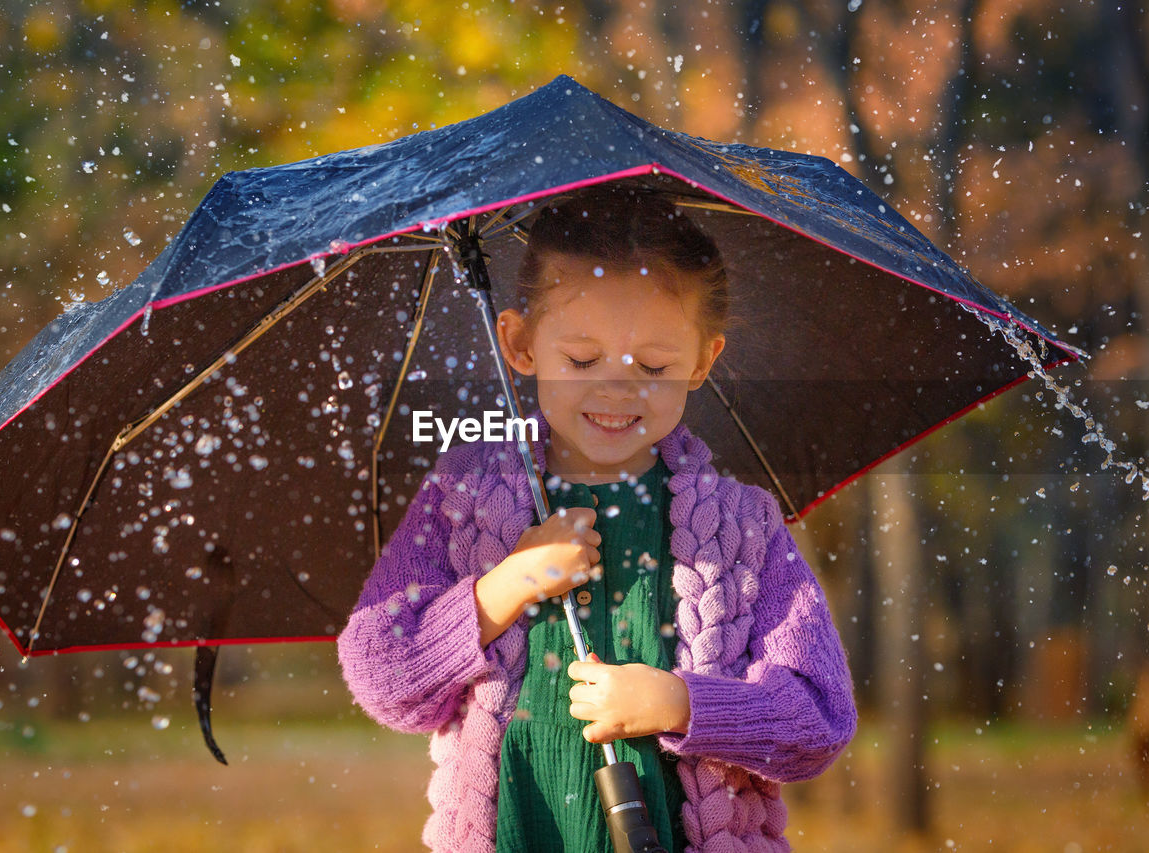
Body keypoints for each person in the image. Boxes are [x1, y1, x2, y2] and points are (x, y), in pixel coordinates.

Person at [337, 184, 857, 852]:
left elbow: (817, 717)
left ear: (702, 360)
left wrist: (681, 703)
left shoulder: (741, 528)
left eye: (655, 364)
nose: (617, 385)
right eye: (582, 359)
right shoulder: (465, 494)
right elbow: (382, 672)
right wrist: (505, 586)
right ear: (520, 344)